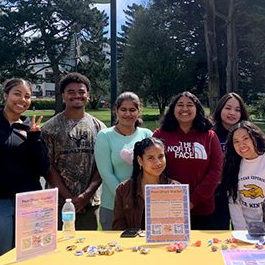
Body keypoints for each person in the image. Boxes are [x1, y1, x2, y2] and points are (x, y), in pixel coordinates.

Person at [0, 78, 50, 259]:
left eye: (27, 96)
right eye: (17, 94)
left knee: (32, 257)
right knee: (0, 257)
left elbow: (43, 168)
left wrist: (34, 139)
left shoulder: (32, 128)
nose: (22, 99)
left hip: (30, 202)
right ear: (5, 95)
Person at [42, 72, 106, 231]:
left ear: (88, 95)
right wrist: (70, 198)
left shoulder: (100, 128)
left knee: (87, 250)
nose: (77, 95)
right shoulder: (50, 128)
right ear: (63, 95)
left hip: (89, 203)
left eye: (81, 92)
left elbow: (102, 165)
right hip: (58, 203)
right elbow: (47, 168)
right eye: (71, 92)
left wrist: (86, 195)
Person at [153, 92, 223, 229]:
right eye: (180, 105)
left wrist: (191, 201)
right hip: (168, 206)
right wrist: (174, 199)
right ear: (173, 109)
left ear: (197, 110)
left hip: (202, 208)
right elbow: (152, 167)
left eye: (189, 105)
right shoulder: (160, 134)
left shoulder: (209, 136)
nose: (184, 109)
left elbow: (216, 171)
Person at [94, 92, 152, 230]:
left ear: (139, 111)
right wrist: (128, 199)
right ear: (116, 111)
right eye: (123, 109)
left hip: (144, 206)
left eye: (132, 110)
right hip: (113, 206)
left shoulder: (147, 135)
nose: (128, 114)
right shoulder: (105, 136)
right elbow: (106, 173)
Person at [222, 121, 265, 230]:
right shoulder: (233, 163)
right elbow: (234, 202)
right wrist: (241, 231)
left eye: (245, 139)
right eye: (236, 142)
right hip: (244, 229)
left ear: (255, 137)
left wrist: (259, 228)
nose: (241, 145)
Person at [112, 137, 179, 230]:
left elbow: (180, 226)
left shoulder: (176, 188)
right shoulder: (123, 189)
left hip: (165, 243)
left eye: (161, 157)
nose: (158, 162)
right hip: (132, 243)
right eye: (151, 158)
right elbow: (118, 227)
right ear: (140, 161)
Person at [209, 92, 251, 229]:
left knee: (243, 231)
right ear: (220, 109)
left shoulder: (248, 133)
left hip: (242, 189)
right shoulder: (209, 134)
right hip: (217, 191)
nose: (232, 113)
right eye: (228, 108)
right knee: (218, 231)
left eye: (237, 110)